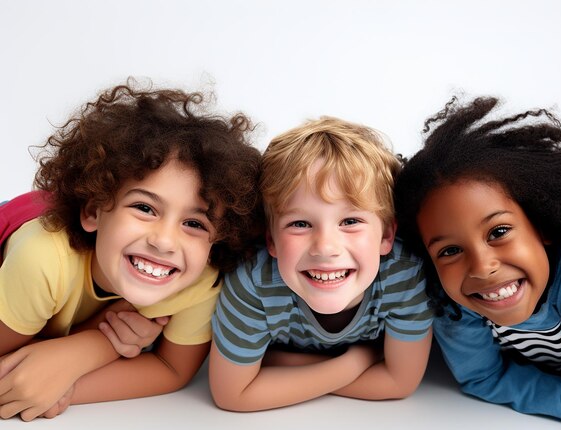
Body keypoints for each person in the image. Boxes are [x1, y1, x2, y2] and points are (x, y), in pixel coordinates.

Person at [0, 80, 264, 421]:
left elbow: (173, 369)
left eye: (195, 224)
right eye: (145, 208)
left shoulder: (199, 278)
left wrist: (72, 376)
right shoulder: (42, 259)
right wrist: (103, 340)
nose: (165, 242)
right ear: (94, 211)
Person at [394, 96, 561, 429]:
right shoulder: (448, 296)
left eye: (499, 231)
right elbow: (481, 378)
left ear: (541, 225)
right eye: (449, 251)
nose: (482, 266)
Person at [209, 116, 433, 411]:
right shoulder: (254, 281)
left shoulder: (403, 273)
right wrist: (358, 360)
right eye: (300, 223)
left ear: (387, 235)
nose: (325, 247)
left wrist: (279, 362)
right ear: (271, 241)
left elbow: (399, 383)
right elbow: (232, 395)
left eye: (350, 221)